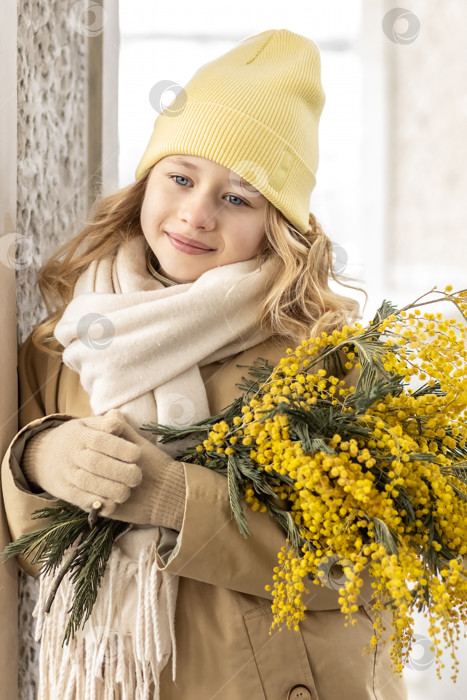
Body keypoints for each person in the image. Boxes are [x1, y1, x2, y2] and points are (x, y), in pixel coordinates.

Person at [1, 28, 407, 700]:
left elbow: (366, 564)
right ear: (145, 184)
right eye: (181, 177)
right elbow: (40, 553)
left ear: (276, 223)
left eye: (237, 197)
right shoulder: (66, 342)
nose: (195, 213)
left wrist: (175, 499)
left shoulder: (328, 356)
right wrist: (35, 459)